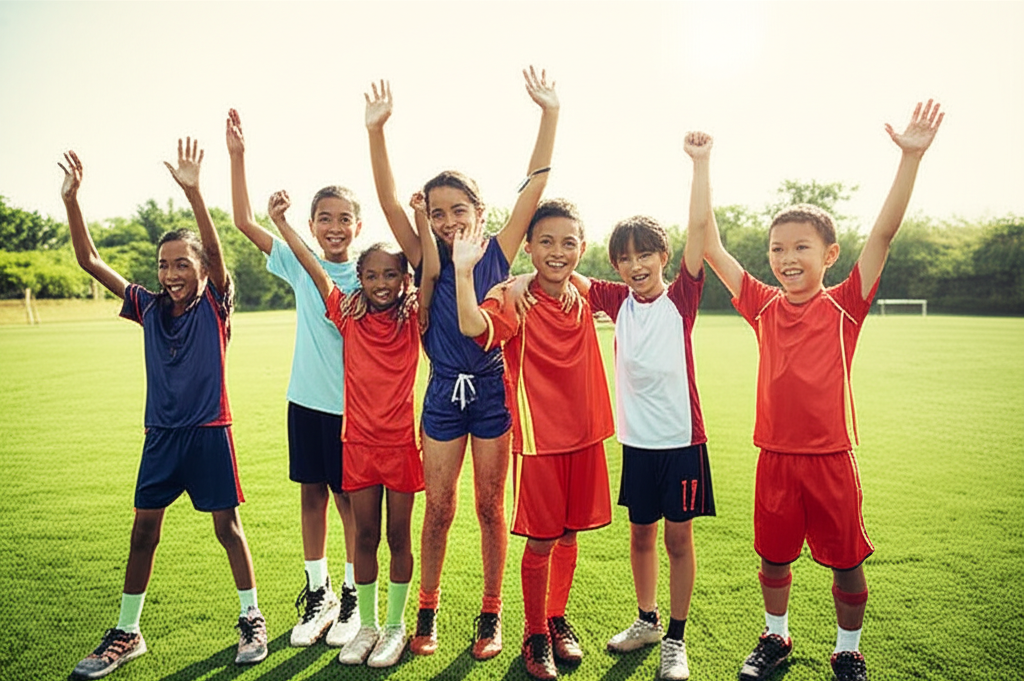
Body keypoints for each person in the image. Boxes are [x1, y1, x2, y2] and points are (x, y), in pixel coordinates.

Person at [701, 101, 944, 681]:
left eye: (801, 247)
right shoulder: (761, 305)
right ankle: (776, 637)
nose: (787, 258)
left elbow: (884, 231)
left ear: (829, 255)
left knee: (846, 564)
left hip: (831, 459)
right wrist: (702, 165)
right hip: (776, 457)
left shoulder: (845, 305)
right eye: (777, 249)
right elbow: (709, 245)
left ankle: (846, 648)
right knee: (773, 556)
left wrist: (909, 158)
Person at [364, 66, 559, 659]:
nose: (449, 222)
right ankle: (427, 609)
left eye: (459, 210)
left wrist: (549, 114)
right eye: (440, 213)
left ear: (479, 210)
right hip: (443, 392)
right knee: (440, 505)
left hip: (493, 392)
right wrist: (377, 132)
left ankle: (492, 613)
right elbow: (389, 201)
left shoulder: (498, 251)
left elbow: (535, 186)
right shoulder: (425, 255)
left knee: (489, 506)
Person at [62, 140, 268, 679]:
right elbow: (89, 260)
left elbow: (220, 258)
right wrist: (72, 200)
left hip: (209, 434)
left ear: (202, 270)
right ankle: (128, 631)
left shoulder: (216, 305)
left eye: (182, 263)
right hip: (161, 438)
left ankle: (251, 617)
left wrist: (196, 192)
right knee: (142, 534)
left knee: (229, 529)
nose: (171, 272)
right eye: (163, 264)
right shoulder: (147, 307)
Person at [566, 132, 715, 681]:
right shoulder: (613, 299)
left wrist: (700, 166)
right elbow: (560, 273)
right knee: (641, 534)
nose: (634, 265)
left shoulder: (681, 297)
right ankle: (647, 620)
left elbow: (701, 229)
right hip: (638, 442)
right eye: (624, 257)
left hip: (681, 441)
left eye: (644, 254)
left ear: (662, 257)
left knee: (679, 538)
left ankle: (675, 639)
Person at [267, 189, 428, 668]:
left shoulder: (412, 320)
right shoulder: (346, 313)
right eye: (373, 275)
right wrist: (282, 223)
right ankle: (368, 626)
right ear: (358, 281)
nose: (382, 283)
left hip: (400, 447)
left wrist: (419, 218)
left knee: (399, 539)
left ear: (404, 280)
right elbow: (314, 268)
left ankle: (395, 628)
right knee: (363, 539)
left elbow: (432, 273)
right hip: (356, 447)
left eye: (391, 275)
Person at [454, 199, 613, 680]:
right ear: (529, 247)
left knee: (568, 535)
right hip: (542, 442)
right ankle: (535, 632)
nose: (558, 252)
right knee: (542, 539)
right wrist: (465, 275)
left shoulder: (585, 295)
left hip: (586, 439)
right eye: (546, 242)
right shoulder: (513, 297)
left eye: (568, 243)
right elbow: (472, 326)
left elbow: (639, 292)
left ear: (582, 248)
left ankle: (558, 617)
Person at [226, 109, 360, 648]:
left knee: (351, 501)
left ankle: (354, 595)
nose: (333, 227)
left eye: (343, 218)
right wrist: (238, 156)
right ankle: (319, 591)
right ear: (310, 225)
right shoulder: (298, 262)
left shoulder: (377, 270)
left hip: (354, 409)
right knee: (312, 496)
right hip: (305, 401)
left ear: (358, 224)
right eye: (323, 218)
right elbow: (241, 221)